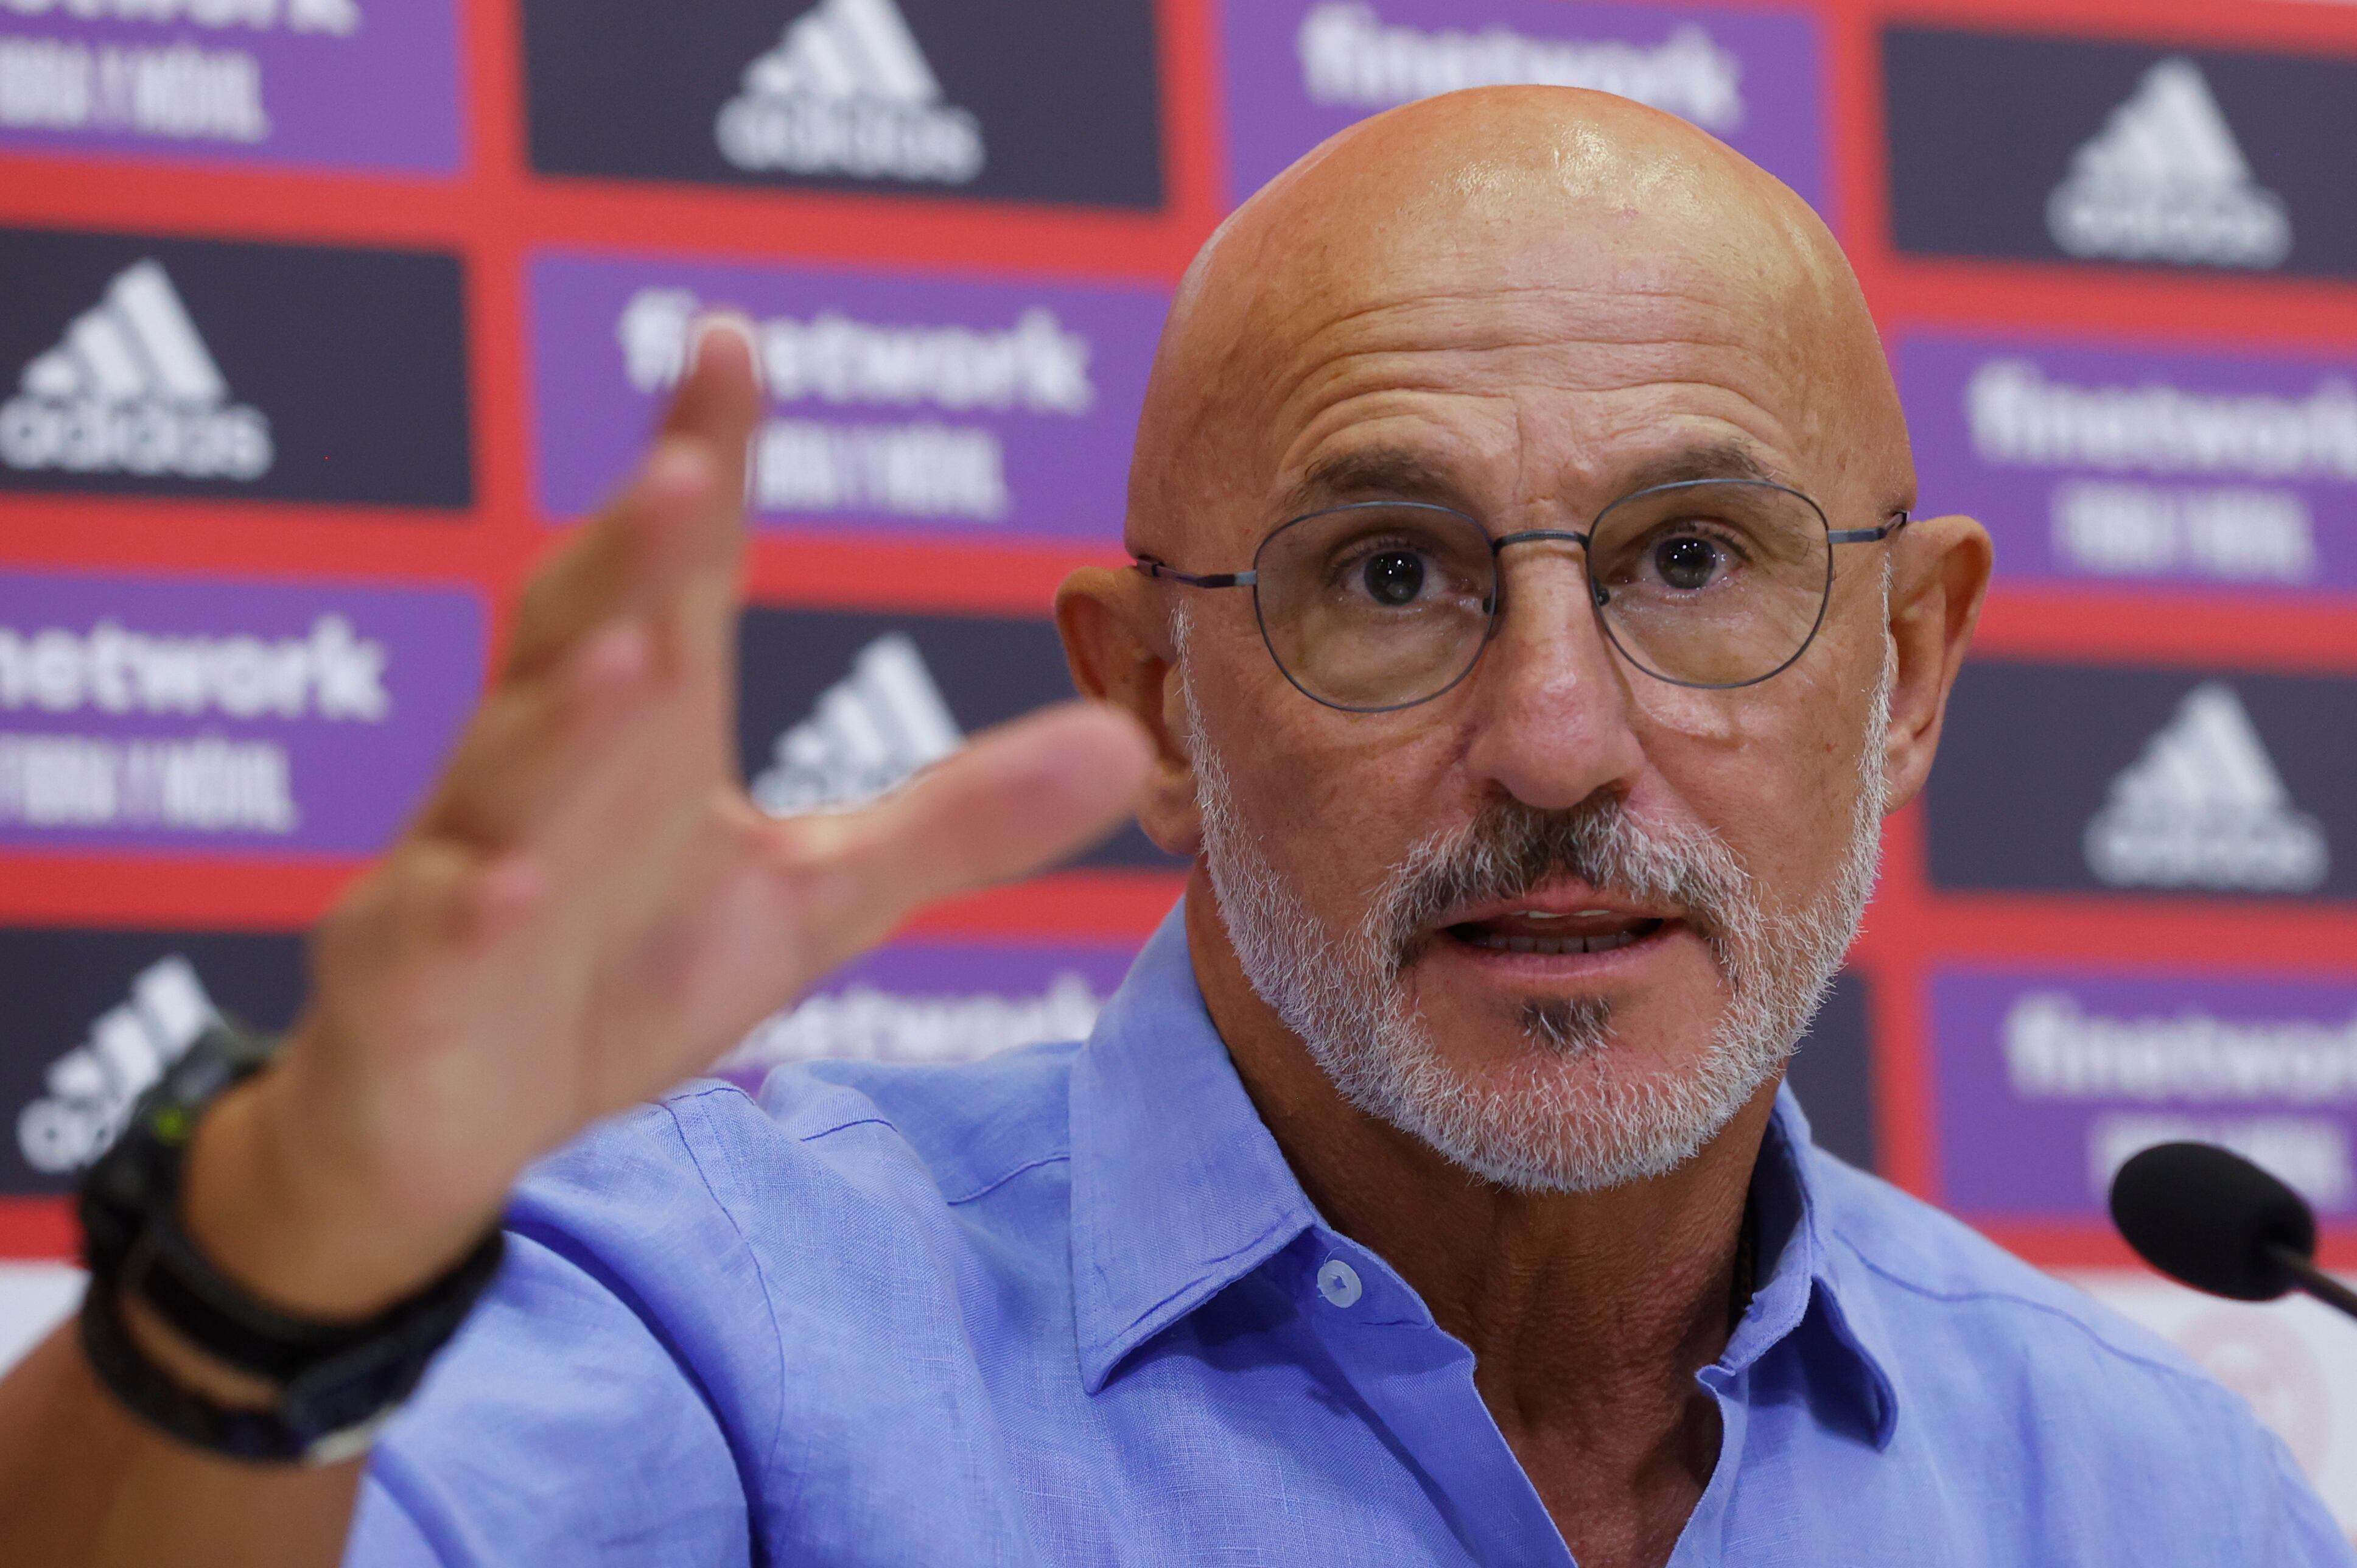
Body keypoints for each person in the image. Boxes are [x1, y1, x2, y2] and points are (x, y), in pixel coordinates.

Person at [0, 85, 2342, 1568]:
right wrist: (284, 1247)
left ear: (1911, 674)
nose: (1552, 737)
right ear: (1155, 701)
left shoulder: (2152, 1497)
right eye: (1392, 576)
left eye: (1696, 562)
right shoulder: (717, 1336)